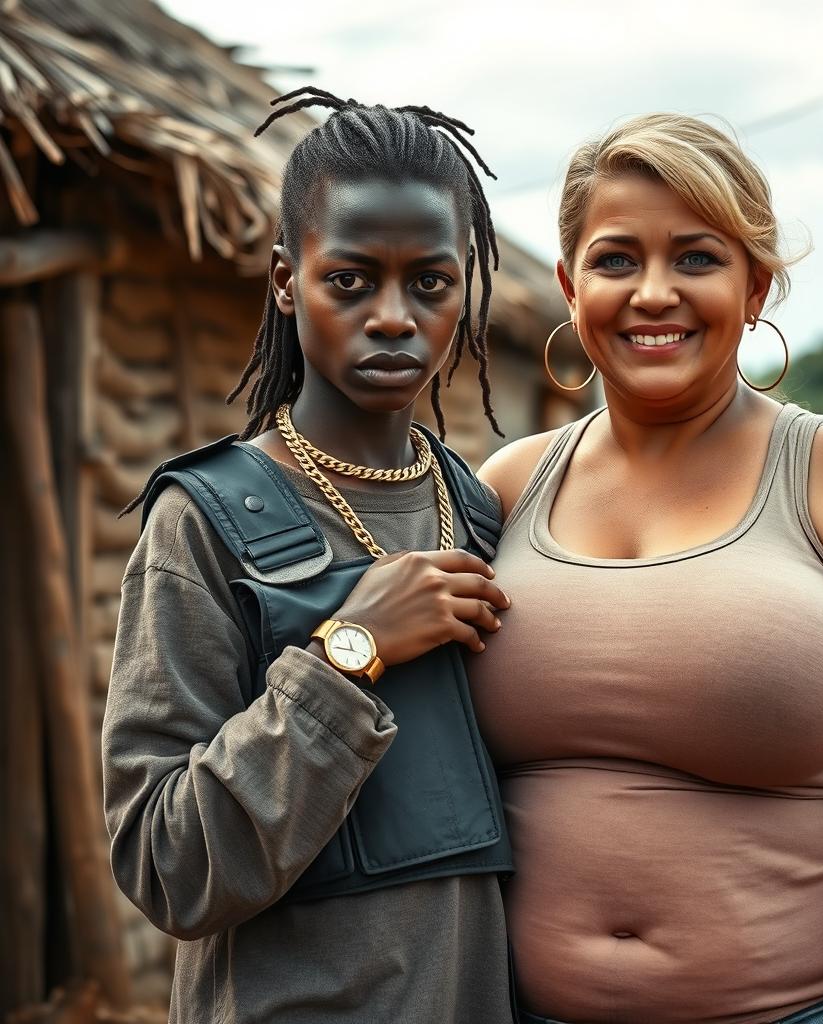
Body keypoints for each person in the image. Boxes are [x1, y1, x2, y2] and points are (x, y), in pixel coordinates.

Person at [472, 113, 823, 1024]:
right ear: (568, 284)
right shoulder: (507, 489)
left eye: (699, 259)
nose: (654, 293)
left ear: (756, 287)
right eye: (616, 259)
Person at [102, 89, 517, 1024]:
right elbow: (166, 866)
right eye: (351, 280)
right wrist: (347, 655)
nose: (394, 317)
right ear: (288, 281)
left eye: (431, 283)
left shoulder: (481, 514)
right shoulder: (205, 523)